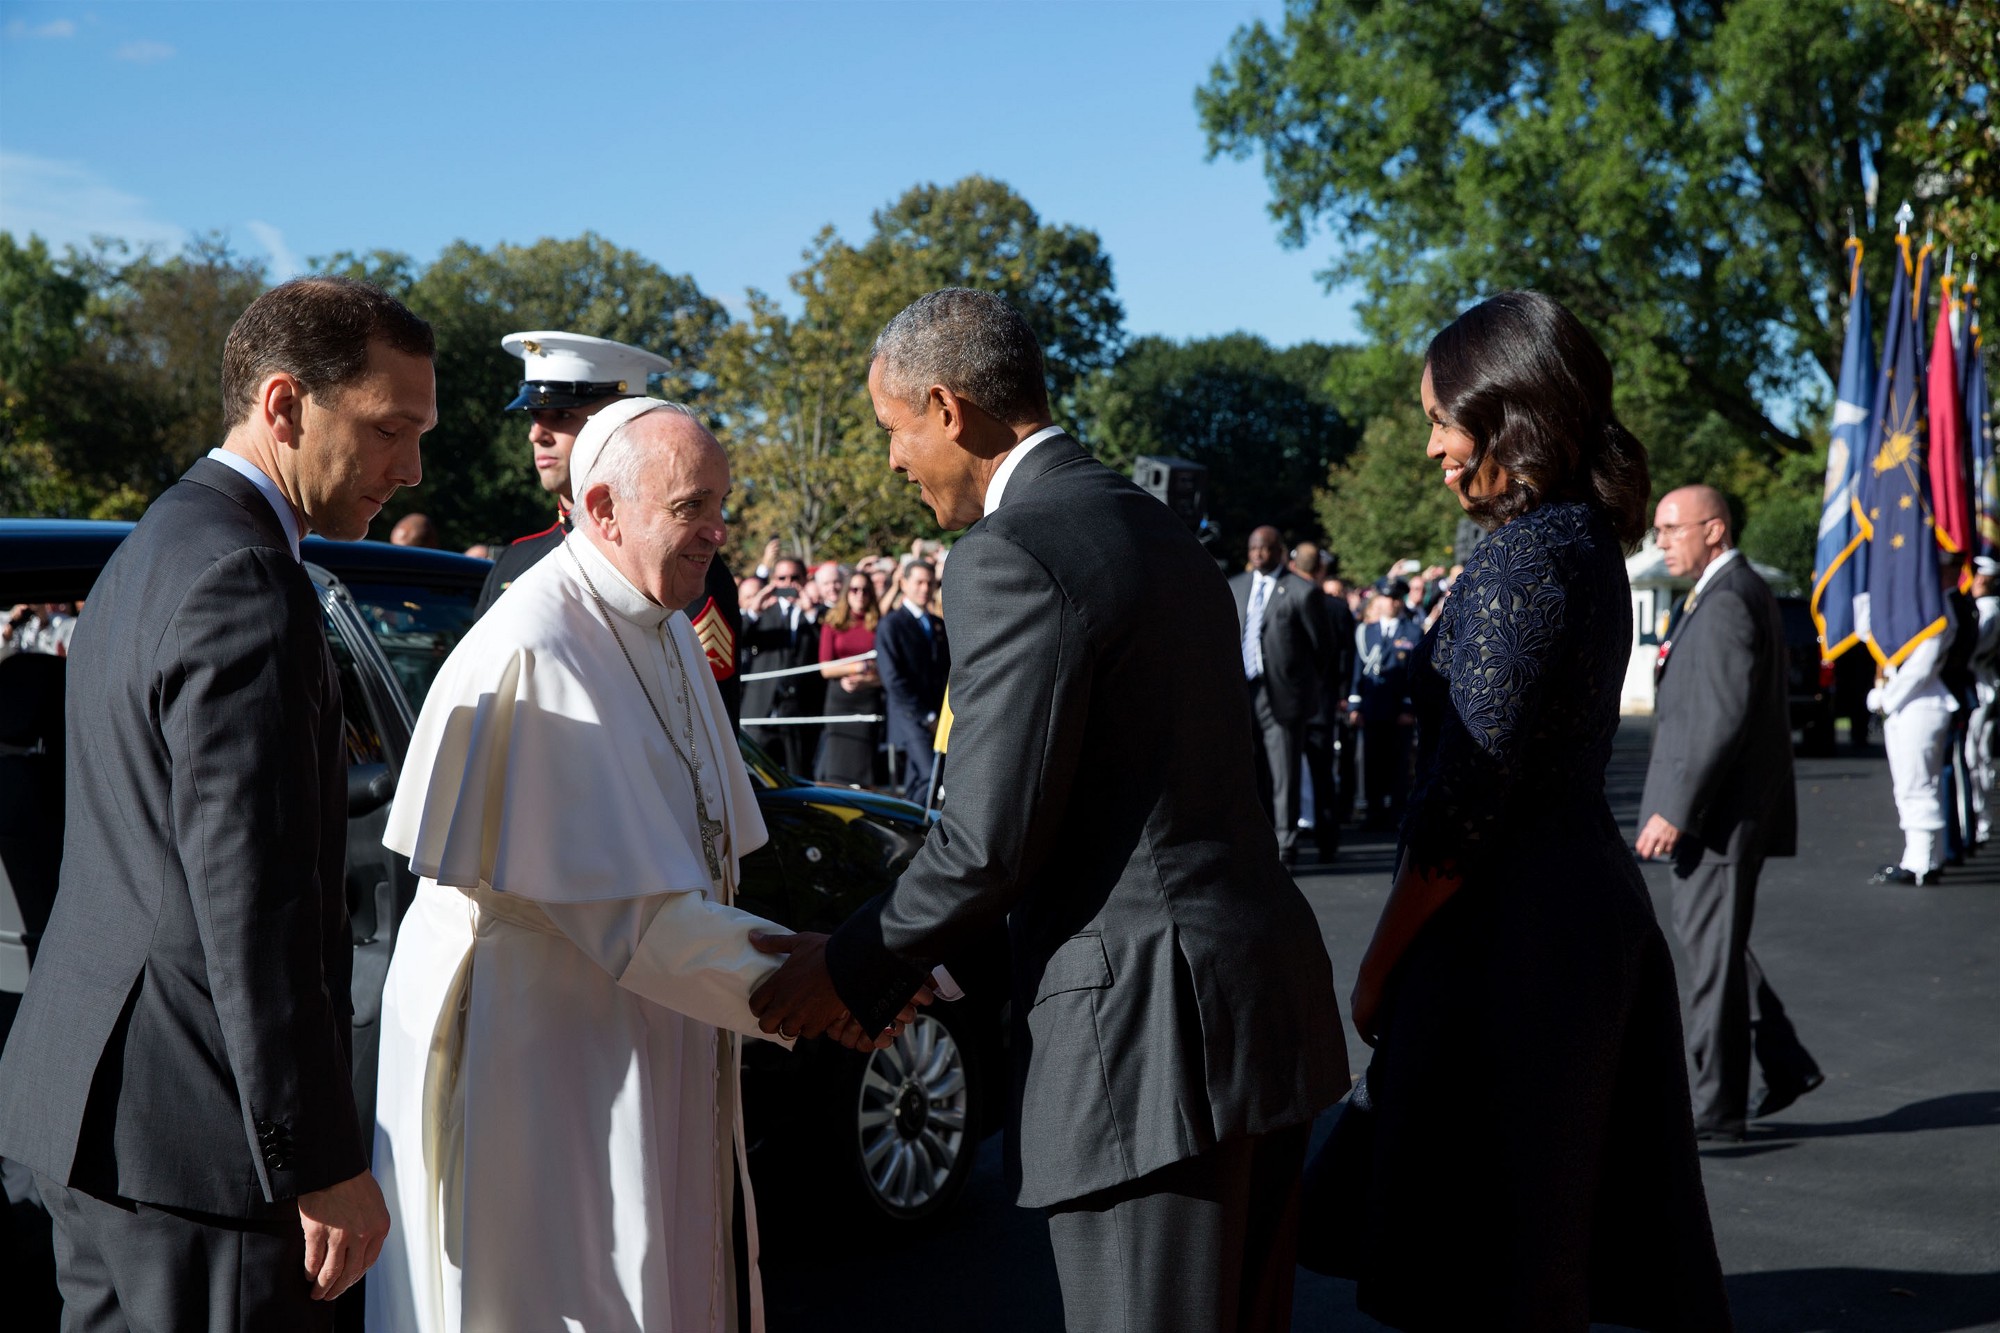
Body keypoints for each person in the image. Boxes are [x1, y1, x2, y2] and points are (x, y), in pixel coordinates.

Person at [747, 288, 1345, 1333]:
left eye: (892, 430)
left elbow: (987, 842)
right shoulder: (1158, 530)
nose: (892, 460)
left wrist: (843, 969)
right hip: (1255, 1010)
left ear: (947, 407)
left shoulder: (1010, 549)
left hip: (1149, 1038)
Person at [367, 398, 918, 1333]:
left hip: (653, 1011)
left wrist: (848, 963)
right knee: (571, 1287)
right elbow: (627, 916)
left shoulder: (661, 627)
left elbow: (702, 861)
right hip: (545, 1041)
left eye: (722, 504)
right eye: (692, 507)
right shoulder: (535, 646)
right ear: (604, 506)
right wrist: (826, 977)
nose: (717, 531)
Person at [0, 276, 434, 1326]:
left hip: (98, 1111)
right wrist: (317, 1160)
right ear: (284, 405)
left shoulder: (154, 546)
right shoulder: (245, 575)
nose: (410, 468)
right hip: (198, 1142)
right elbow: (257, 900)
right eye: (389, 428)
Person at [1317, 290, 1728, 1330]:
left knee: (1490, 1266)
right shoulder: (1576, 538)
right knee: (1537, 1251)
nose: (1429, 448)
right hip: (1568, 921)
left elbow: (1464, 799)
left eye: (1438, 419)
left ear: (1507, 415)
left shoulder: (1521, 556)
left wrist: (1375, 970)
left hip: (1509, 944)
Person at [1637, 484, 1821, 1141]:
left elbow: (1717, 719)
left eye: (1671, 528)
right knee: (1716, 947)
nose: (1660, 541)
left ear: (1713, 529)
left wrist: (1675, 810)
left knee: (1712, 962)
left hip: (1712, 816)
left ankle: (1717, 1109)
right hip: (1713, 812)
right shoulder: (1723, 592)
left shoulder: (1725, 600)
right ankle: (1784, 1059)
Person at [476, 330, 743, 718]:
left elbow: (702, 727)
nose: (537, 434)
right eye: (535, 417)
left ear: (619, 423)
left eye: (562, 415)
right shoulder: (514, 562)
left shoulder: (682, 559)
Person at [1230, 525, 1329, 865]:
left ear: (1279, 551)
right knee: (1247, 770)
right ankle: (1252, 840)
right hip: (1243, 693)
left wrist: (1303, 689)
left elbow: (1323, 649)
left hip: (1283, 697)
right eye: (1253, 548)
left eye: (1265, 548)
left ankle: (1286, 843)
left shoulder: (1301, 591)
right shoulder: (1236, 587)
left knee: (1285, 772)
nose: (1258, 554)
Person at [1868, 570, 1959, 886]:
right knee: (1913, 785)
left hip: (1918, 704)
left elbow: (1921, 665)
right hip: (1910, 704)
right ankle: (1924, 857)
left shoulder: (1937, 610)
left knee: (1916, 784)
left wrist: (1887, 699)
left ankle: (1921, 862)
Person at [874, 559, 950, 805]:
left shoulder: (937, 624)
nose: (924, 589)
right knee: (931, 776)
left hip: (936, 716)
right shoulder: (891, 625)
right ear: (903, 584)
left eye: (930, 583)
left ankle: (914, 831)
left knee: (920, 780)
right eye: (918, 582)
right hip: (910, 717)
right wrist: (925, 716)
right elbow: (893, 679)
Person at [740, 556, 824, 775]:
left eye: (795, 578)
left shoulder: (818, 614)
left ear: (806, 579)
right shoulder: (763, 613)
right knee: (753, 777)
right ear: (773, 581)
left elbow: (824, 646)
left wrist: (810, 612)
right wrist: (754, 611)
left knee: (799, 773)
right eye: (782, 578)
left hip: (799, 710)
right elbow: (736, 640)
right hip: (761, 708)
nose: (788, 584)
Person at [1347, 584, 1420, 828]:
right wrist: (1354, 706)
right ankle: (1373, 812)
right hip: (1373, 707)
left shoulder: (1412, 632)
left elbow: (1415, 675)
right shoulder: (1366, 631)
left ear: (1400, 602)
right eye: (1387, 598)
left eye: (1395, 598)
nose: (1391, 603)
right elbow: (1358, 669)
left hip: (1398, 709)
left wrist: (1409, 708)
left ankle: (1397, 812)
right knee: (1372, 762)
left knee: (1398, 763)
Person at [816, 569, 885, 786]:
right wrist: (857, 667)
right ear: (847, 592)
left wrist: (866, 678)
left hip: (868, 698)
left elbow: (886, 668)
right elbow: (825, 668)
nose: (859, 594)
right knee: (837, 764)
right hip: (839, 699)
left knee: (864, 765)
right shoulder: (832, 622)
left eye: (865, 590)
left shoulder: (879, 623)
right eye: (854, 589)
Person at [1966, 557, 2000, 842]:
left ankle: (1981, 819)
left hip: (1982, 687)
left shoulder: (1990, 610)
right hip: (1980, 685)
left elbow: (1975, 651)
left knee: (1976, 756)